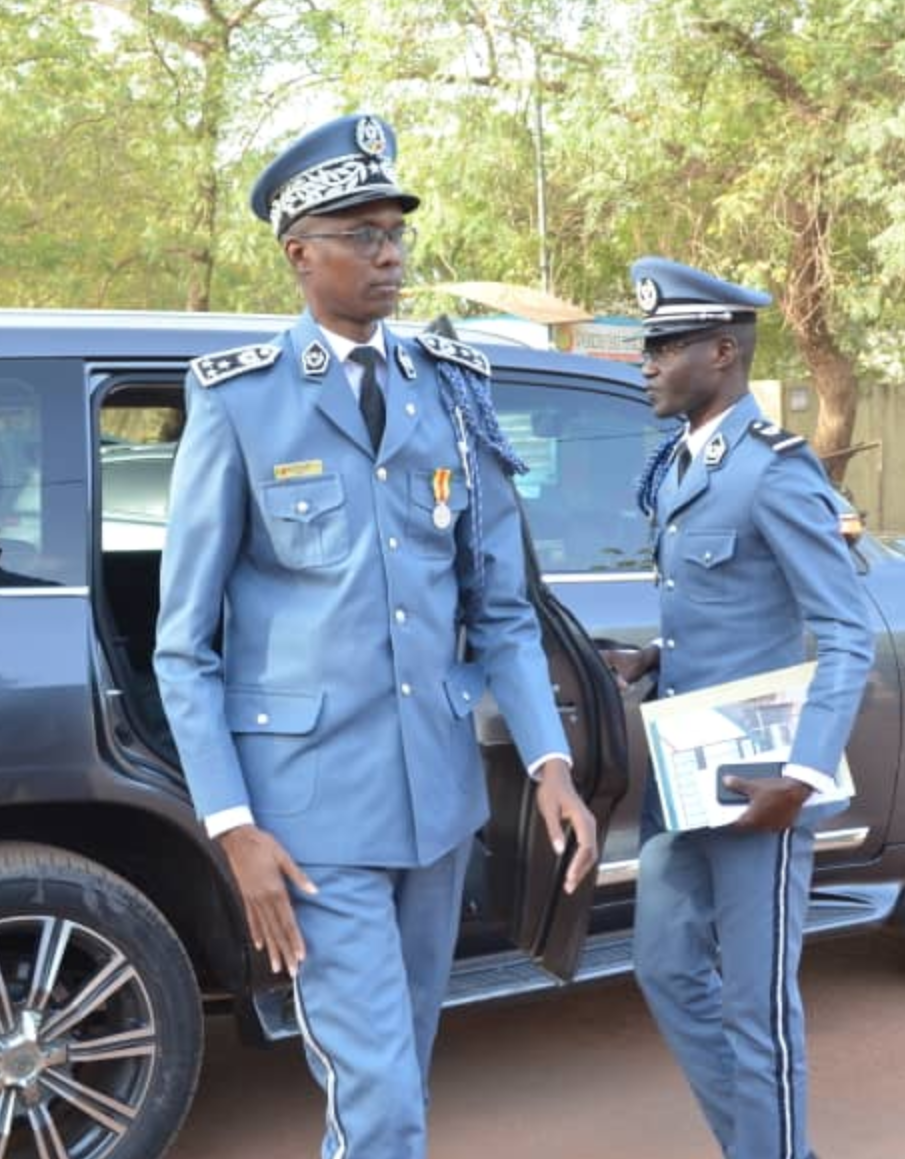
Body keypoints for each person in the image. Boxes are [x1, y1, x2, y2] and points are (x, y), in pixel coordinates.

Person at [152, 113, 597, 1159]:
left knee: (399, 1071)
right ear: (299, 252)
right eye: (360, 231)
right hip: (307, 821)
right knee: (382, 1096)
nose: (388, 250)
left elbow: (499, 609)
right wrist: (232, 827)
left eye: (394, 229)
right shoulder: (241, 402)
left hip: (436, 808)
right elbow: (185, 645)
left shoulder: (452, 388)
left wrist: (548, 758)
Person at [603, 257, 873, 1159]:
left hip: (763, 788)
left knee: (757, 1009)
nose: (646, 362)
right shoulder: (686, 464)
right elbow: (724, 608)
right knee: (665, 971)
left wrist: (800, 779)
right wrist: (651, 654)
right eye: (645, 346)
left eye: (664, 346)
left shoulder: (774, 472)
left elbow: (847, 635)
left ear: (722, 352)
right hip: (686, 773)